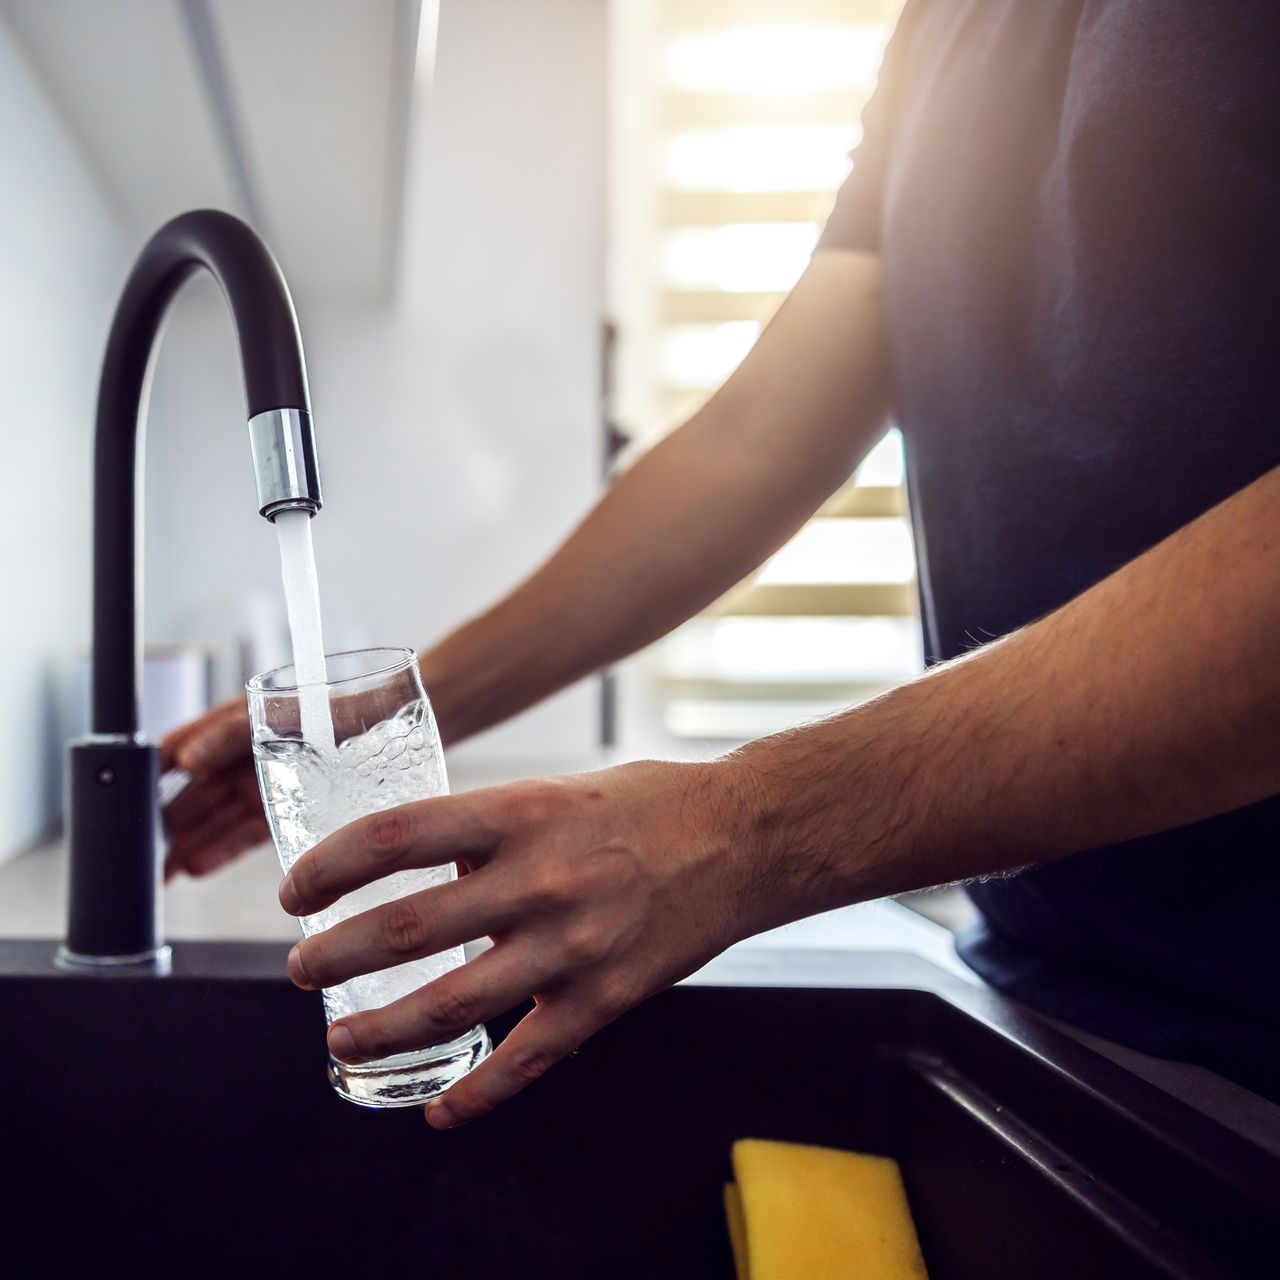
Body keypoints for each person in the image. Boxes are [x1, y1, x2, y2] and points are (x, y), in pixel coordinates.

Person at [163, 0, 1280, 1126]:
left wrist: (738, 827)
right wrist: (383, 722)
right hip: (1055, 987)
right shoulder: (946, 26)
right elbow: (752, 445)